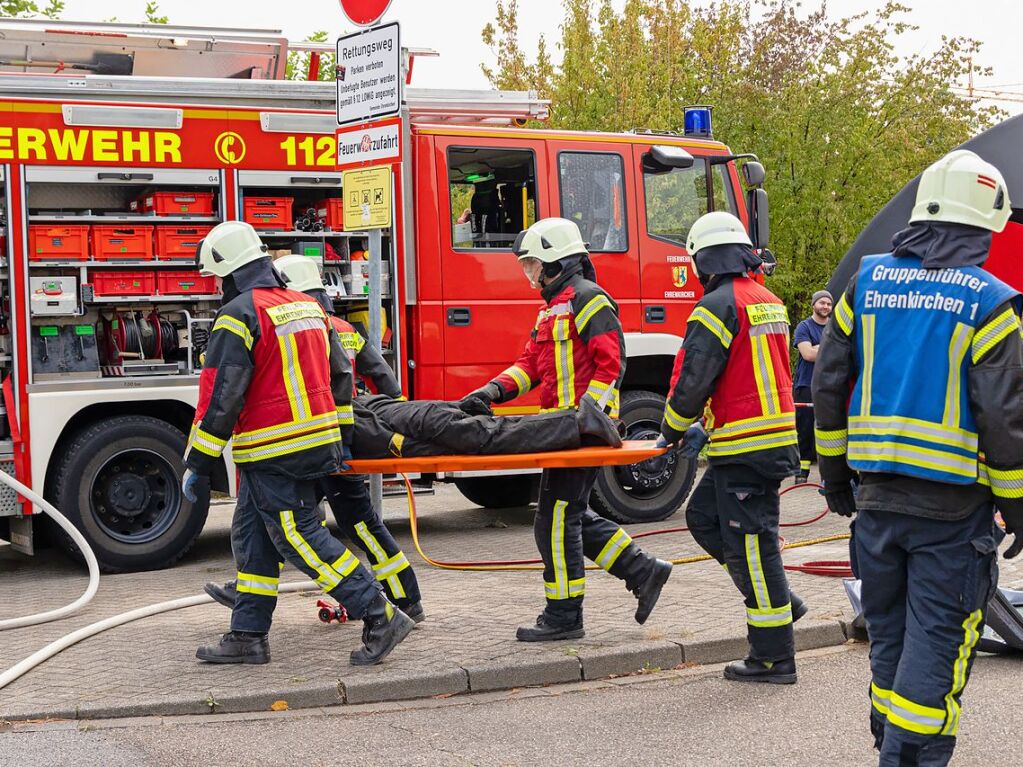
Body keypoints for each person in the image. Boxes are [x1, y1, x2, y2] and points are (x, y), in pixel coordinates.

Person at [812, 149, 1023, 766]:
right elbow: (1005, 420)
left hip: (874, 505)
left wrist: (832, 478)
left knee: (891, 640)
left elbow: (828, 385)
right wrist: (1018, 505)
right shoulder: (991, 302)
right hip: (953, 518)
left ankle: (889, 745)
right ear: (985, 226)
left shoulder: (867, 282)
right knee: (935, 647)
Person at [183, 221, 414, 667]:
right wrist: (340, 435)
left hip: (275, 448)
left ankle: (379, 611)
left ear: (228, 270)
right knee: (252, 537)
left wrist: (198, 459)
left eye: (215, 278)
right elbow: (340, 374)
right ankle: (248, 636)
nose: (215, 288)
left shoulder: (237, 315)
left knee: (297, 538)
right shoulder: (307, 306)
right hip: (314, 443)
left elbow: (221, 396)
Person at [459, 217, 673, 642]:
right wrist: (491, 392)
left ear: (556, 261)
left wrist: (589, 412)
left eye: (533, 264)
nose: (529, 273)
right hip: (559, 430)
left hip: (583, 430)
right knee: (568, 515)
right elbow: (530, 366)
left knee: (555, 521)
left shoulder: (590, 300)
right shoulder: (551, 310)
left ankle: (564, 616)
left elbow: (612, 363)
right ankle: (642, 570)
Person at [658, 211, 805, 684]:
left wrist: (671, 431)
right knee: (703, 520)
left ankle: (773, 657)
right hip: (762, 441)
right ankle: (783, 602)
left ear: (704, 260)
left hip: (746, 446)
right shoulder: (768, 299)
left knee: (754, 550)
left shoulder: (716, 306)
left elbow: (695, 379)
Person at [792, 289, 832, 483]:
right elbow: (807, 355)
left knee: (828, 429)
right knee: (805, 428)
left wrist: (818, 347)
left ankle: (828, 475)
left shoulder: (834, 327)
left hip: (829, 385)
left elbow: (843, 351)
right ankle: (803, 470)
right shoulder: (804, 327)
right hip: (805, 385)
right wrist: (829, 347)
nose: (825, 306)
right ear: (814, 304)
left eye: (828, 304)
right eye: (822, 303)